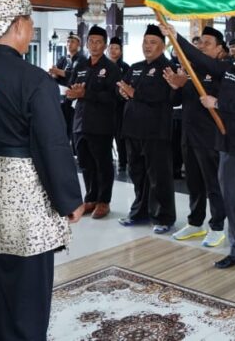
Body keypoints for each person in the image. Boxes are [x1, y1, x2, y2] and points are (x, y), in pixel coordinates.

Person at [0, 0, 83, 340]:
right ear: (18, 26)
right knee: (26, 286)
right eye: (31, 24)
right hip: (22, 196)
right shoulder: (34, 79)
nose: (32, 31)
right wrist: (69, 200)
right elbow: (51, 145)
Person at [163, 22, 235, 277]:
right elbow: (201, 60)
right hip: (227, 144)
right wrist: (175, 37)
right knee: (231, 200)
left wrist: (218, 103)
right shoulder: (229, 70)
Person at [165, 26, 229, 247]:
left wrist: (176, 37)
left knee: (213, 183)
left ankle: (217, 226)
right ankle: (195, 222)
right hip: (189, 134)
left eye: (207, 43)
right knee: (193, 182)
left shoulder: (223, 70)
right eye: (199, 42)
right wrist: (176, 86)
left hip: (210, 136)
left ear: (220, 49)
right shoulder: (191, 71)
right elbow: (176, 101)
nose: (201, 46)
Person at [117, 25, 175, 233]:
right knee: (137, 174)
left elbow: (164, 96)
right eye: (145, 42)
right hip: (132, 129)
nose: (147, 46)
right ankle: (139, 213)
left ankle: (163, 217)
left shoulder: (168, 68)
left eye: (153, 42)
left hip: (155, 131)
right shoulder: (136, 66)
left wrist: (134, 93)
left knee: (159, 176)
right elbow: (123, 86)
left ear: (163, 46)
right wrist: (123, 92)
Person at [67, 25, 122, 220]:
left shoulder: (111, 68)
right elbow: (71, 86)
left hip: (101, 124)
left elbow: (114, 97)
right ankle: (90, 197)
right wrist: (72, 93)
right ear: (87, 43)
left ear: (105, 45)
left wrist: (86, 93)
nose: (94, 45)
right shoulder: (81, 65)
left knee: (102, 163)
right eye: (91, 41)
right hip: (80, 121)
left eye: (99, 42)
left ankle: (103, 201)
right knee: (85, 163)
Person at [48, 32, 86, 153]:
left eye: (72, 42)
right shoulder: (63, 59)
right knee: (61, 125)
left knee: (72, 126)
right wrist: (54, 74)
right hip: (62, 97)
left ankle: (75, 153)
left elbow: (75, 76)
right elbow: (56, 74)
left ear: (78, 45)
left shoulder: (82, 59)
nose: (69, 44)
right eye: (68, 42)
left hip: (74, 98)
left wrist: (58, 72)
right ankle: (62, 150)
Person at [108, 36, 130, 173]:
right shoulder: (103, 65)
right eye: (111, 48)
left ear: (120, 51)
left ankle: (122, 162)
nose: (113, 51)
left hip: (120, 106)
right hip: (104, 106)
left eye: (116, 48)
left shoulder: (125, 67)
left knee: (119, 135)